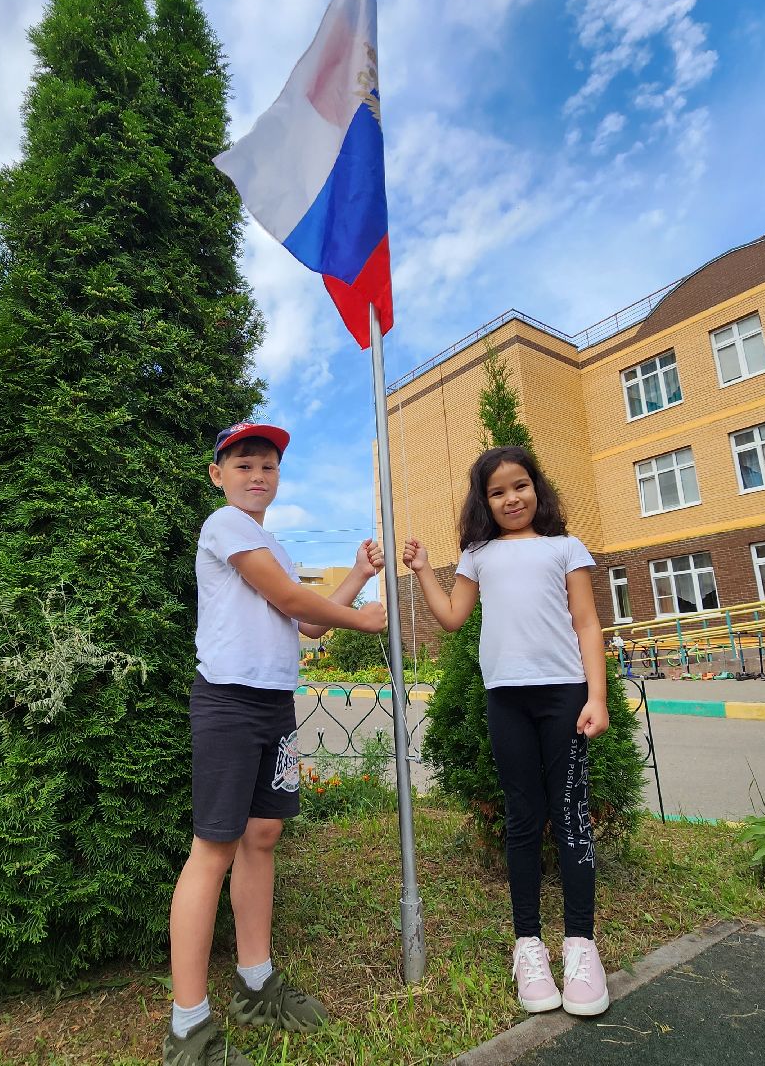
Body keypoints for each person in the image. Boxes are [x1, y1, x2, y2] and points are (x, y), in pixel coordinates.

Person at [165, 421, 388, 1066]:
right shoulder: (224, 525)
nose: (257, 476)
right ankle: (188, 1024)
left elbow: (307, 623)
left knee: (262, 837)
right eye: (244, 465)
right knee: (213, 848)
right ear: (219, 475)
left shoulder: (274, 546)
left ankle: (255, 985)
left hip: (273, 705)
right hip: (229, 702)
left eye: (267, 467)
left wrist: (356, 575)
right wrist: (365, 620)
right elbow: (289, 597)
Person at [402, 445, 611, 1017]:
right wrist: (423, 570)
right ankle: (529, 947)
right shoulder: (478, 555)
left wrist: (597, 695)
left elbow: (587, 623)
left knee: (570, 815)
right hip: (506, 699)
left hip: (564, 695)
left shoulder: (565, 548)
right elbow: (452, 617)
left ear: (536, 489)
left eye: (519, 486)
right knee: (523, 817)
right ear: (483, 502)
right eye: (497, 492)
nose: (511, 498)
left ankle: (581, 946)